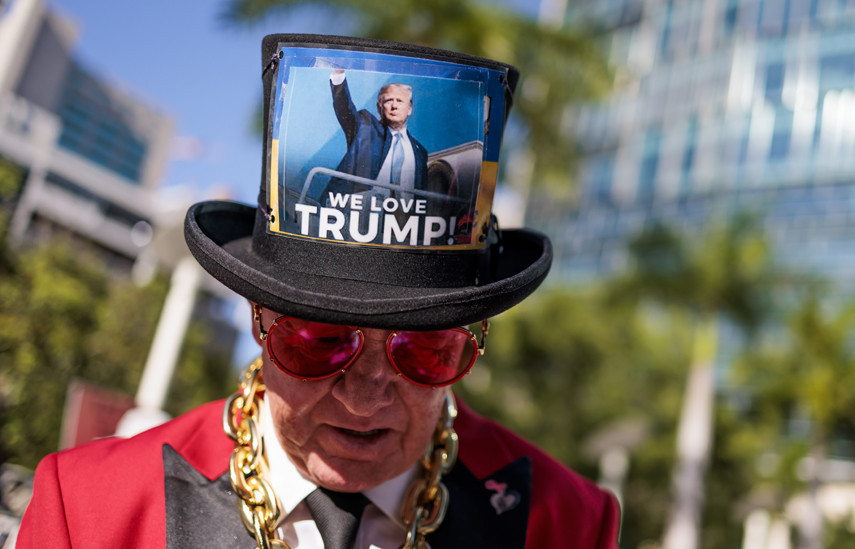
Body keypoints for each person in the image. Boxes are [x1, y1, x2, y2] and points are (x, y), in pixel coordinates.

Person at [16, 34, 620, 549]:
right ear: (260, 322)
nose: (365, 397)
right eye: (319, 342)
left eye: (424, 353)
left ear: (472, 343)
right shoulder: (91, 510)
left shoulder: (569, 524)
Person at [319, 68, 429, 201]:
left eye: (400, 101)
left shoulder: (420, 152)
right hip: (357, 213)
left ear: (409, 109)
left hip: (400, 218)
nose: (394, 106)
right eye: (388, 101)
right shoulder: (365, 127)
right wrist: (339, 74)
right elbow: (344, 107)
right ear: (380, 107)